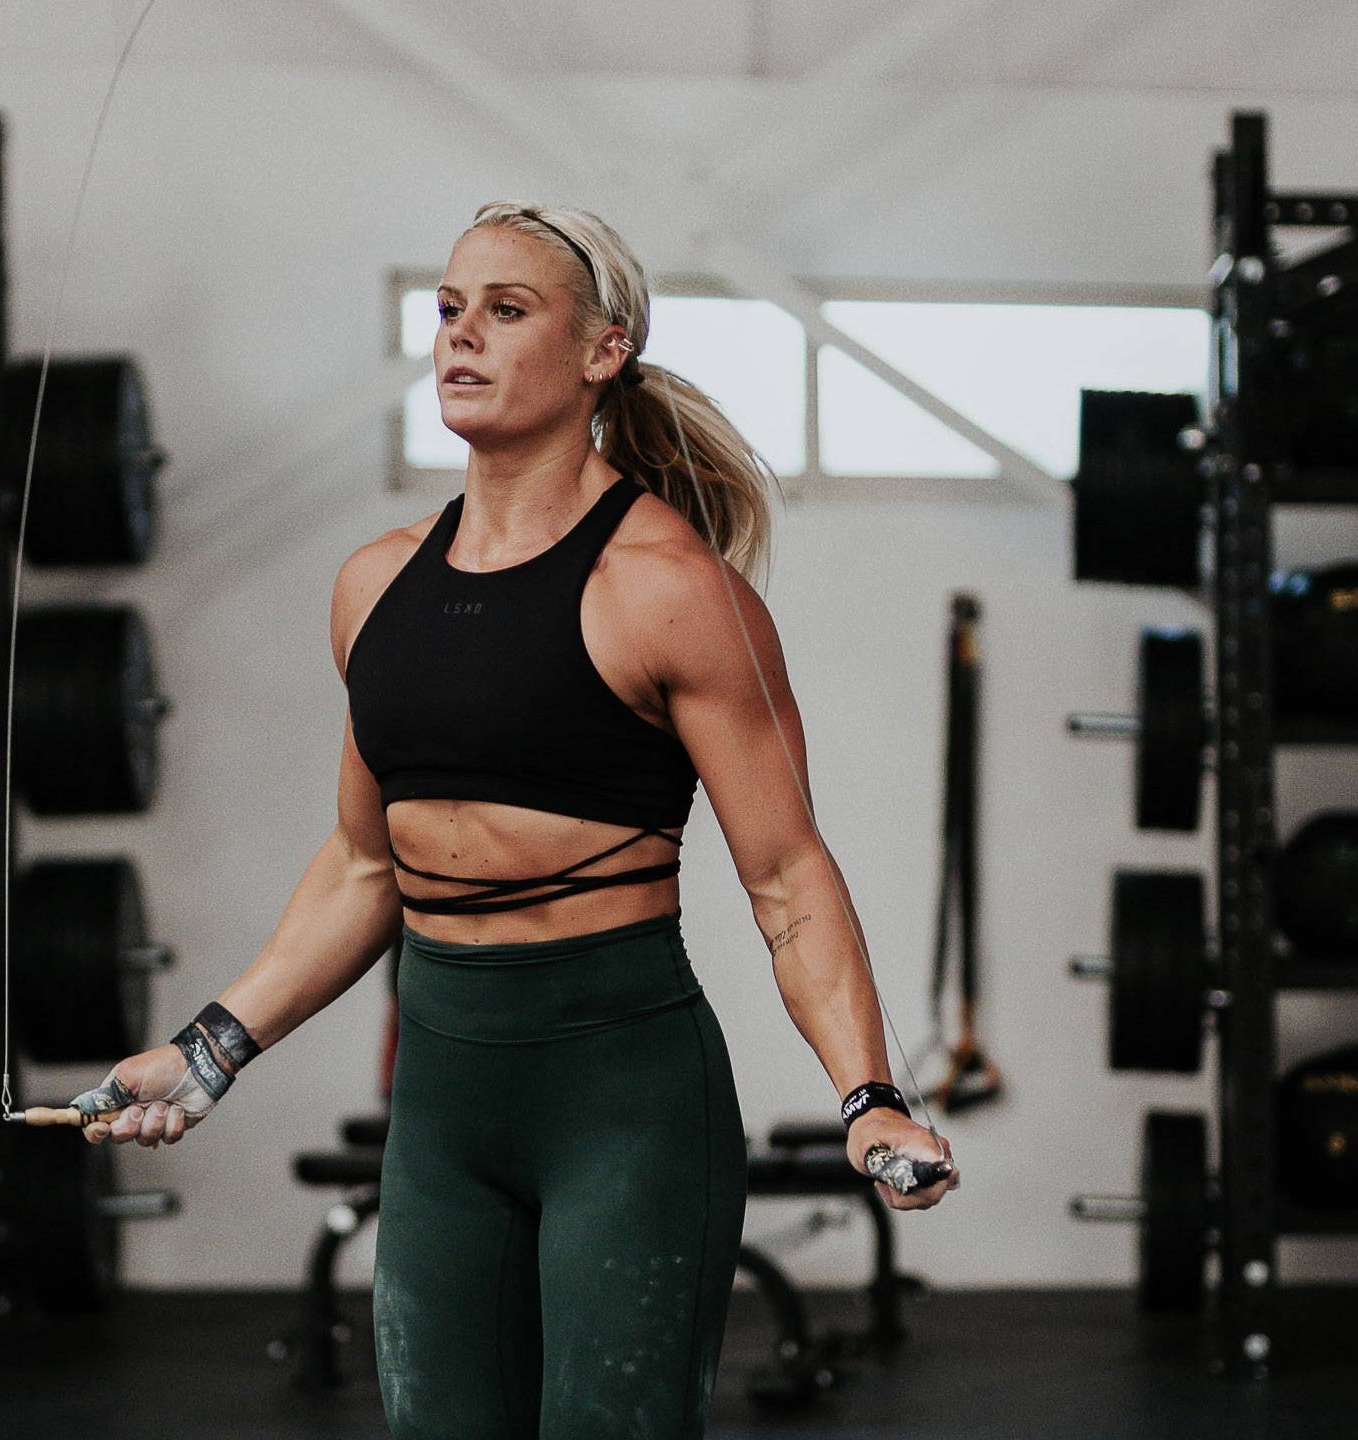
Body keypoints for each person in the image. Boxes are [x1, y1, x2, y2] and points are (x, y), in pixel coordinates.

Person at [73, 201, 958, 1438]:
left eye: (504, 309)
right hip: (444, 1109)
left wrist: (870, 1099)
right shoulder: (373, 586)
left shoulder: (670, 592)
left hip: (626, 1104)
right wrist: (209, 1050)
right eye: (446, 309)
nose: (459, 337)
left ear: (606, 348)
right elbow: (362, 867)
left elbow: (786, 874)